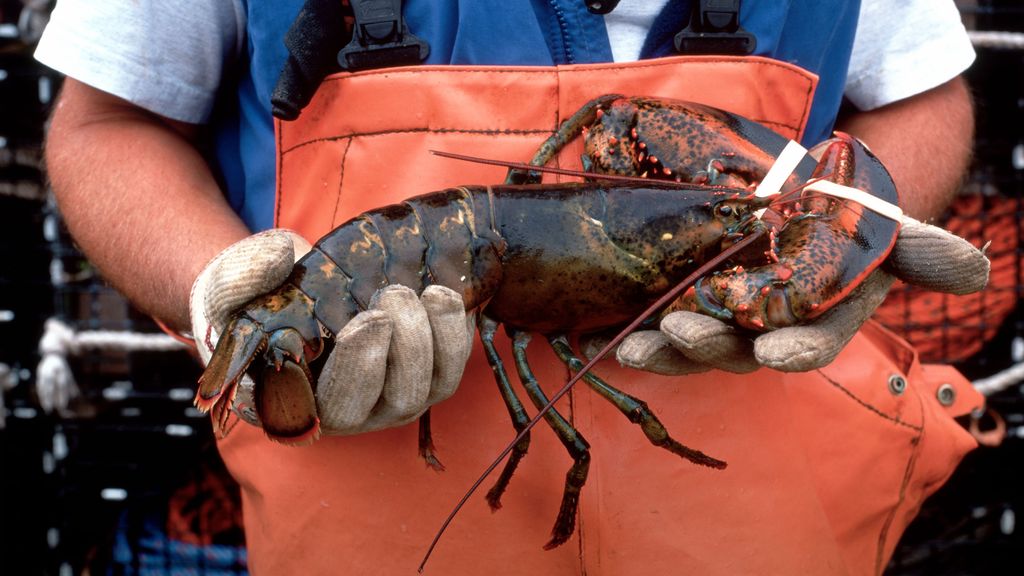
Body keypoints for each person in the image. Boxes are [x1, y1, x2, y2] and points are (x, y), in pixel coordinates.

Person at [36, 1, 987, 574]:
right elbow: (109, 122)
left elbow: (919, 93)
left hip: (772, 528)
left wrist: (849, 234)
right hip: (371, 519)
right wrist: (218, 286)